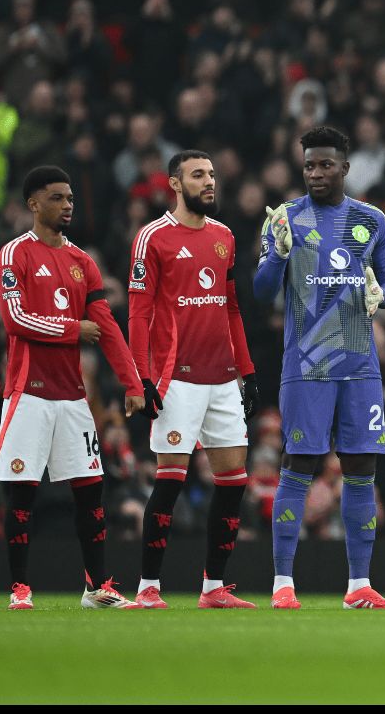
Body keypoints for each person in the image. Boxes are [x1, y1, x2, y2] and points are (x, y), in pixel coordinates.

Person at [254, 126, 385, 609]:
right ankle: (282, 583)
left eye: (325, 165)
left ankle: (359, 585)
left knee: (361, 468)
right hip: (307, 364)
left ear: (345, 167)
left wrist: (381, 295)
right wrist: (277, 255)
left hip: (360, 365)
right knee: (298, 464)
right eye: (309, 166)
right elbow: (261, 291)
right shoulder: (285, 219)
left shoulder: (371, 220)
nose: (316, 173)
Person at [0, 165, 148, 610]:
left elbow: (107, 328)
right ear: (33, 203)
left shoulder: (82, 262)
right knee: (22, 493)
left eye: (70, 199)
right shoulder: (15, 255)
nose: (67, 206)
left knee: (91, 491)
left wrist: (132, 382)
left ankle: (96, 587)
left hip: (73, 397)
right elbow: (15, 320)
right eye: (57, 198)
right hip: (28, 393)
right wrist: (71, 329)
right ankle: (20, 589)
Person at [129, 150, 260, 609]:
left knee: (234, 481)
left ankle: (213, 588)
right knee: (171, 481)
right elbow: (139, 314)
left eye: (212, 175)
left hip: (222, 378)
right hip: (177, 378)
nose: (209, 182)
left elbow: (232, 309)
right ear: (174, 183)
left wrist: (246, 371)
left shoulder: (224, 236)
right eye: (198, 175)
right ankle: (148, 587)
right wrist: (141, 377)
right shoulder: (153, 238)